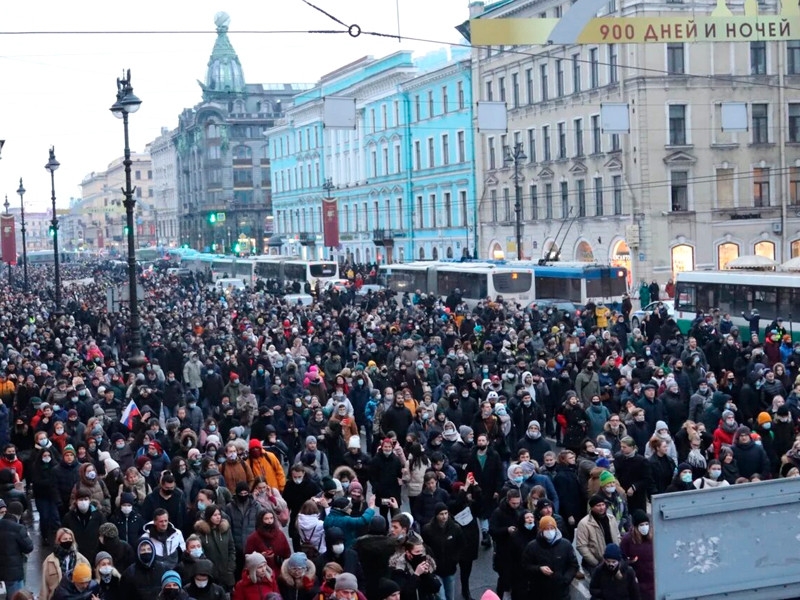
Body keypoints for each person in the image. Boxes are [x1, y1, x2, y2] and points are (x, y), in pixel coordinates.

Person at [521, 515, 578, 600]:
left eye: (551, 528)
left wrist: (566, 579)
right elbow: (525, 566)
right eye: (546, 529)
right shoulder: (532, 546)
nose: (549, 531)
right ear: (541, 530)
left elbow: (573, 565)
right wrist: (539, 569)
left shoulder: (565, 545)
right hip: (539, 592)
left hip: (561, 592)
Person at [421, 503, 464, 600]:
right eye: (441, 514)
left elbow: (460, 545)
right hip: (435, 569)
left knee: (450, 596)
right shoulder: (428, 530)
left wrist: (455, 559)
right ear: (436, 515)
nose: (444, 516)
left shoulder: (455, 528)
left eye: (446, 513)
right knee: (441, 597)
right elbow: (424, 548)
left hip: (450, 568)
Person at [575, 495, 621, 575]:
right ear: (592, 507)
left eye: (603, 505)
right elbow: (581, 546)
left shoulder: (611, 518)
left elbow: (617, 536)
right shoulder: (584, 524)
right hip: (595, 564)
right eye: (598, 505)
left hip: (614, 560)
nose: (602, 507)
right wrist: (595, 562)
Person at [194, 504, 236, 589]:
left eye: (219, 514)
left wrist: (230, 567)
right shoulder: (201, 533)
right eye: (215, 515)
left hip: (226, 574)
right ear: (209, 516)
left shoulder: (225, 530)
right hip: (210, 574)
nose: (218, 517)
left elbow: (231, 549)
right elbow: (200, 554)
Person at [41, 528, 90, 600]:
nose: (68, 541)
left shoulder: (82, 560)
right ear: (58, 540)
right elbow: (44, 586)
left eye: (70, 539)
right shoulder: (49, 561)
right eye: (65, 539)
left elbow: (88, 583)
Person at [388, 533, 441, 600]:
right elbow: (404, 594)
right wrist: (416, 574)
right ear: (408, 553)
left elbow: (436, 588)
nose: (421, 554)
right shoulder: (399, 568)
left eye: (422, 551)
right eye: (417, 552)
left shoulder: (425, 562)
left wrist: (427, 574)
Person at [62, 488, 106, 569]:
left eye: (86, 499)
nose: (83, 502)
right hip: (77, 557)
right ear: (76, 500)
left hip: (94, 556)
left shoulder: (99, 516)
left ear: (90, 500)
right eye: (81, 499)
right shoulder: (69, 517)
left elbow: (104, 534)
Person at [0, 500, 33, 598]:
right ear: (19, 514)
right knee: (17, 596)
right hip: (13, 572)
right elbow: (28, 547)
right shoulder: (18, 528)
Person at [244, 508, 292, 573]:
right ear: (261, 520)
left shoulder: (280, 534)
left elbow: (287, 555)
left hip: (278, 573)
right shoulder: (253, 538)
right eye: (266, 519)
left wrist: (275, 558)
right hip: (260, 573)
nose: (269, 521)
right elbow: (248, 557)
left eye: (271, 518)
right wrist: (260, 556)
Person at [620, 510, 654, 600]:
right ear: (635, 526)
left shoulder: (653, 537)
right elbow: (622, 559)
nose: (645, 527)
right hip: (638, 582)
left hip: (653, 581)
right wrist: (630, 561)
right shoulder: (627, 540)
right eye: (641, 525)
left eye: (646, 524)